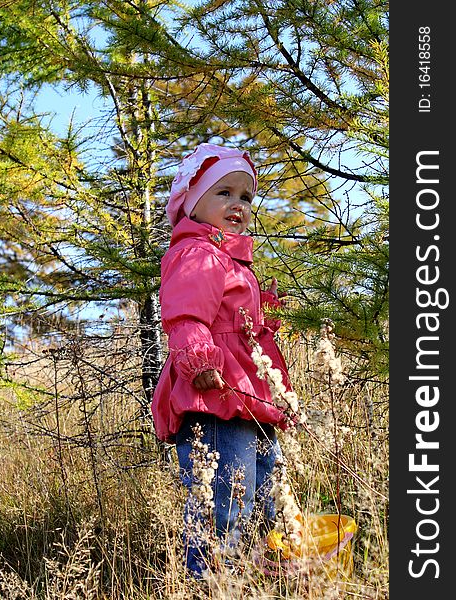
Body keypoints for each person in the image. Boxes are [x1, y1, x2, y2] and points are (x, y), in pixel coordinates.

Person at [151, 142, 293, 578]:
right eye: (224, 193)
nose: (238, 204)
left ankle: (264, 573)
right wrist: (199, 361)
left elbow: (233, 316)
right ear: (193, 204)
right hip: (214, 393)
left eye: (246, 197)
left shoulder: (229, 258)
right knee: (224, 497)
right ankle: (207, 580)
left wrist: (263, 312)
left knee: (267, 486)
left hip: (248, 392)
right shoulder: (197, 254)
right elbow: (185, 314)